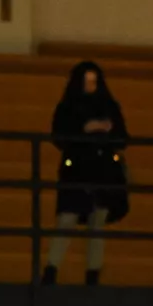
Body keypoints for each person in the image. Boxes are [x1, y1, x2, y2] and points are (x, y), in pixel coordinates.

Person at [45, 60, 127, 286]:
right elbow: (58, 136)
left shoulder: (109, 106)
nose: (91, 85)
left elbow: (123, 137)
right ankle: (51, 270)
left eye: (94, 81)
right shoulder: (68, 107)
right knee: (67, 219)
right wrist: (84, 129)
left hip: (102, 171)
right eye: (87, 81)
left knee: (97, 223)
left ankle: (92, 274)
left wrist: (107, 129)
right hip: (77, 170)